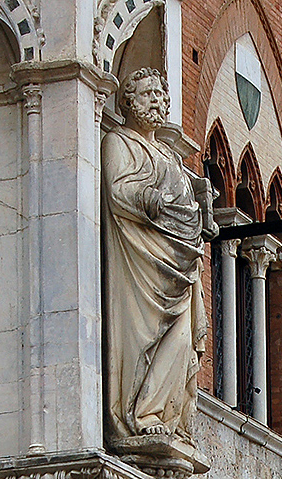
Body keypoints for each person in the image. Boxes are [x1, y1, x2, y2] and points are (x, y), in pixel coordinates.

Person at [102, 68, 214, 449]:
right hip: (142, 262)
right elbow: (118, 192)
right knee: (142, 336)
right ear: (128, 101)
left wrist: (198, 207)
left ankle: (167, 413)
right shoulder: (119, 142)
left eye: (161, 96)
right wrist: (156, 200)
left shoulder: (168, 154)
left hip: (180, 261)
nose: (157, 101)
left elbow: (185, 205)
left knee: (181, 340)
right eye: (148, 94)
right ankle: (141, 412)